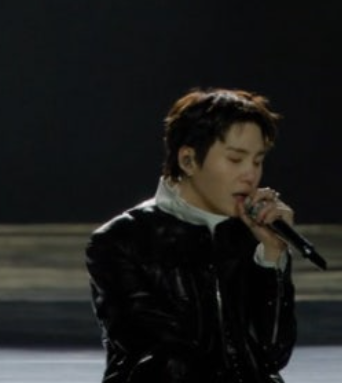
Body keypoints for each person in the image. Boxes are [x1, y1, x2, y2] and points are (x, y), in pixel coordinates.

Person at [86, 88, 297, 382]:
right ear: (188, 160)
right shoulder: (121, 240)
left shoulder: (254, 238)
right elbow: (164, 358)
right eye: (235, 159)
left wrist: (272, 258)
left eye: (257, 161)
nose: (250, 175)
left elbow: (272, 354)